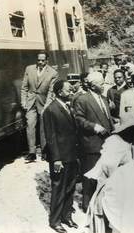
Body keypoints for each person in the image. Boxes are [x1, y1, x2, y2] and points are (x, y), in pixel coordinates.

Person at [74, 71, 114, 212]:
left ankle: (100, 204)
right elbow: (78, 119)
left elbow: (107, 119)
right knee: (90, 176)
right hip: (91, 144)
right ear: (92, 85)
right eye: (101, 83)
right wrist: (94, 127)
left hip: (106, 144)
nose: (103, 86)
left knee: (103, 176)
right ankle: (87, 204)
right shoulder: (83, 100)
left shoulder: (103, 99)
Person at [42, 80, 79, 233]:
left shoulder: (67, 106)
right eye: (68, 90)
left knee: (70, 187)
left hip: (71, 155)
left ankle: (66, 216)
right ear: (59, 92)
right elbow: (50, 137)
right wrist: (56, 159)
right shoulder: (50, 110)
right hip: (60, 158)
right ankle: (55, 221)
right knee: (59, 188)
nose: (71, 92)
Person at [21, 51, 58, 162]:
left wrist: (47, 106)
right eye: (38, 60)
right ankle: (32, 152)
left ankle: (44, 151)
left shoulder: (53, 73)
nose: (40, 62)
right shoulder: (29, 69)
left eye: (43, 60)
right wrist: (24, 102)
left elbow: (51, 92)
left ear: (47, 60)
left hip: (44, 103)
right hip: (30, 102)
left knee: (44, 127)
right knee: (30, 125)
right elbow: (24, 87)